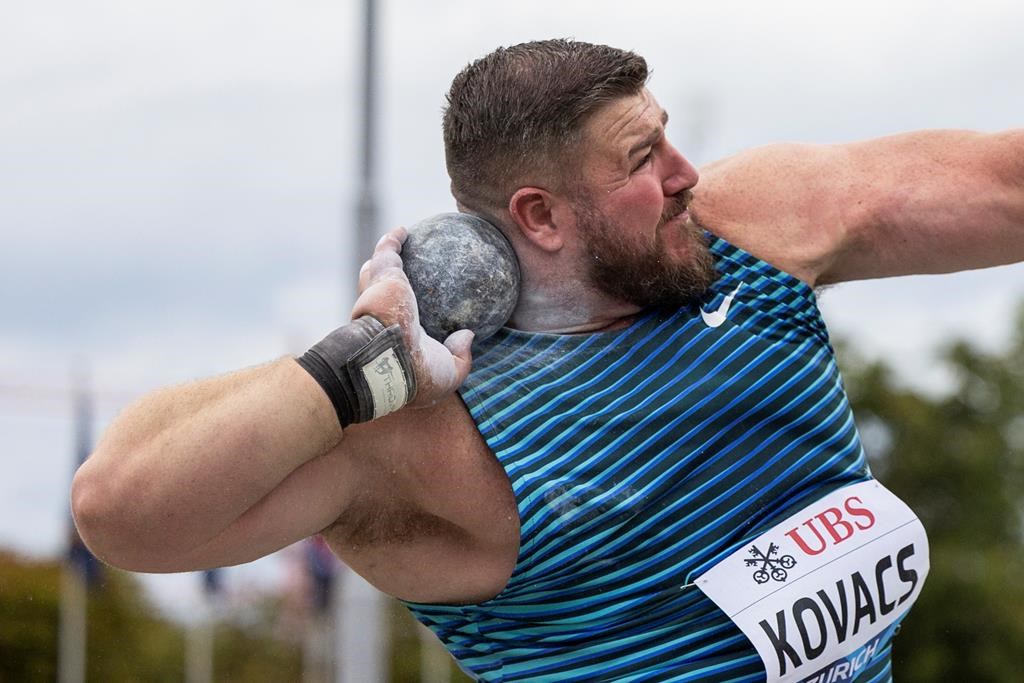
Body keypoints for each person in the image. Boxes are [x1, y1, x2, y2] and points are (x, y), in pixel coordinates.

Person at [71, 39, 1023, 682]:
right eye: (642, 158)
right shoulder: (434, 434)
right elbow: (121, 511)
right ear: (540, 215)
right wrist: (355, 362)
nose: (685, 173)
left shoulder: (747, 234)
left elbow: (1003, 185)